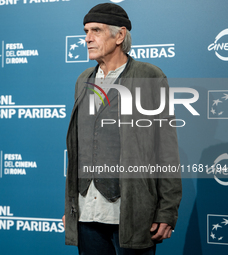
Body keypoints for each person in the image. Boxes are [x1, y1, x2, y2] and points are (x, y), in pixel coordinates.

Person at [63, 3, 182, 255]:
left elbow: (166, 149)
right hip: (87, 214)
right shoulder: (83, 79)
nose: (87, 38)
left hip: (132, 214)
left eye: (96, 30)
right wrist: (72, 207)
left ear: (120, 35)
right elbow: (80, 148)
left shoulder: (148, 76)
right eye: (85, 31)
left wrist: (167, 210)